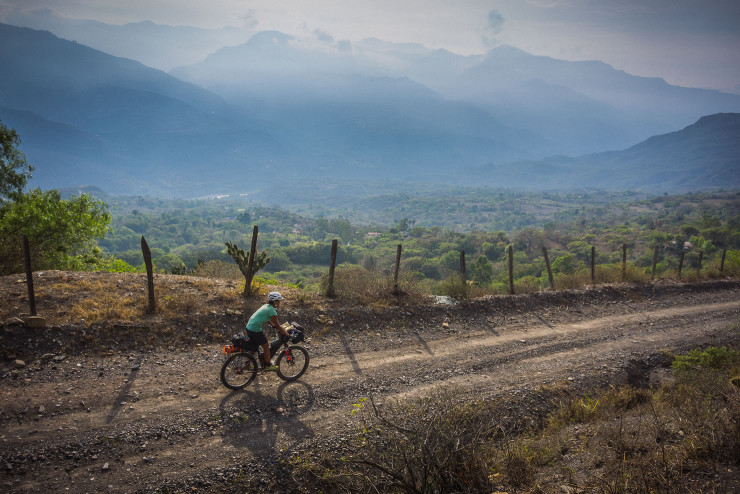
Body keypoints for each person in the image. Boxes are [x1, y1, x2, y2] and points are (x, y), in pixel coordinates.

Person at [246, 291, 291, 371]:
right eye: (278, 301)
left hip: (249, 327)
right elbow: (278, 325)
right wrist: (287, 334)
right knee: (266, 347)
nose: (279, 302)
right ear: (275, 301)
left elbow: (265, 316)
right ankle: (268, 365)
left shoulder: (266, 306)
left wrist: (271, 323)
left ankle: (247, 363)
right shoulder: (272, 311)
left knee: (254, 346)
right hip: (255, 329)